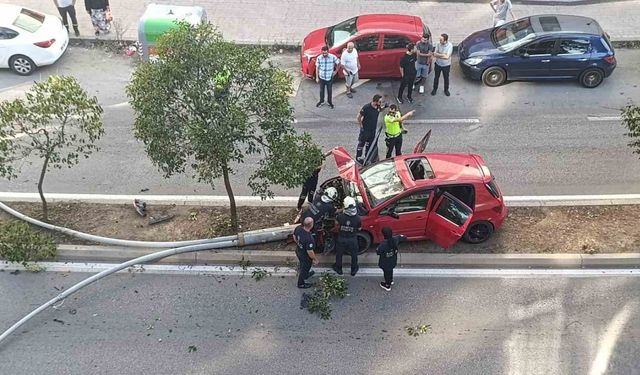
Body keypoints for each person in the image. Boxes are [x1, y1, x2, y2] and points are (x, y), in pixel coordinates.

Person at [333, 197, 362, 276]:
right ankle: (353, 270)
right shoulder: (358, 218)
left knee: (339, 254)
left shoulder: (340, 217)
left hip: (341, 238)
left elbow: (336, 223)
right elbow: (359, 228)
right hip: (352, 239)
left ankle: (339, 269)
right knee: (354, 255)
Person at [356, 94, 386, 165]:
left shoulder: (377, 107)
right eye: (379, 102)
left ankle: (367, 157)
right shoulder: (366, 107)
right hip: (365, 130)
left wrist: (385, 107)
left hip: (373, 130)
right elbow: (358, 117)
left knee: (369, 145)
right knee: (361, 144)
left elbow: (380, 110)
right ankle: (358, 157)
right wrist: (361, 126)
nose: (380, 103)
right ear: (375, 101)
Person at [376, 227, 407, 291]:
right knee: (390, 270)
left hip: (385, 262)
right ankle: (391, 280)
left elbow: (378, 252)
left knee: (386, 273)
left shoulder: (383, 244)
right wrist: (400, 236)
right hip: (393, 260)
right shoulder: (395, 239)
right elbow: (404, 237)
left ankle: (387, 285)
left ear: (383, 235)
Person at [294, 217, 319, 288]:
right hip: (305, 257)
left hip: (298, 251)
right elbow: (310, 251)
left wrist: (299, 244)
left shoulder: (298, 228)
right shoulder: (309, 238)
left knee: (302, 265)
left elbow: (294, 237)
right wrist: (315, 259)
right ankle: (301, 283)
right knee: (304, 268)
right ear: (311, 225)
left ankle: (306, 274)